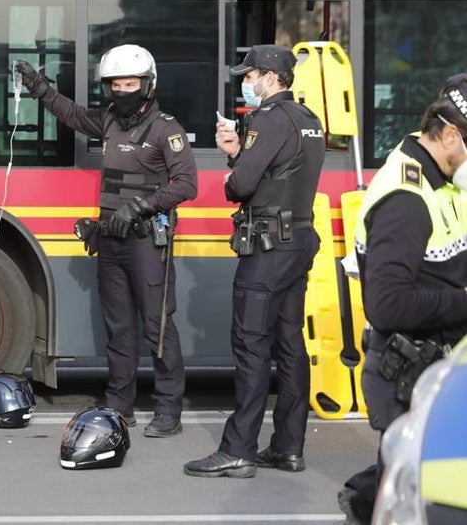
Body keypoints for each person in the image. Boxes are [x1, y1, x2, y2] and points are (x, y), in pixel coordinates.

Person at [17, 44, 196, 437]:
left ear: (147, 85)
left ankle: (169, 410)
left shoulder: (167, 129)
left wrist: (141, 207)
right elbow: (72, 115)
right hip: (112, 242)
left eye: (130, 84)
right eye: (115, 84)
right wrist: (41, 88)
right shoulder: (110, 120)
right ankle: (120, 406)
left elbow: (186, 185)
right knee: (119, 328)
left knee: (157, 327)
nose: (122, 91)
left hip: (147, 243)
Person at [184, 44, 324, 478]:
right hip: (299, 238)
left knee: (250, 344)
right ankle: (288, 447)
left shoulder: (268, 119)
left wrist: (233, 169)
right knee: (290, 345)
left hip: (268, 246)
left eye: (249, 76)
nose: (246, 83)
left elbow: (242, 185)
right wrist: (235, 150)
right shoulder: (308, 119)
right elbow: (280, 173)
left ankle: (238, 449)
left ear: (271, 77)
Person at [336, 79, 467, 525]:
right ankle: (367, 501)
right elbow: (387, 305)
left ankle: (368, 498)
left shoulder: (444, 179)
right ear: (450, 135)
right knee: (422, 494)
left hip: (439, 370)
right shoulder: (406, 199)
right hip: (410, 373)